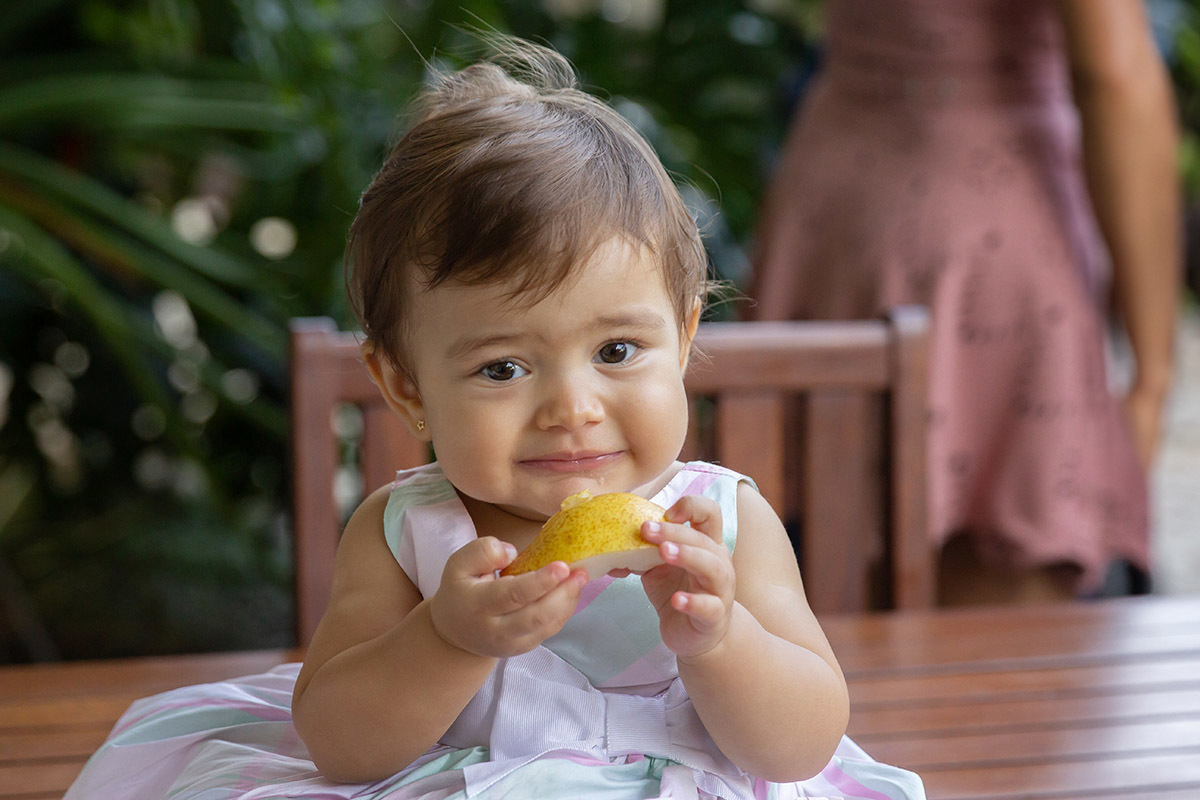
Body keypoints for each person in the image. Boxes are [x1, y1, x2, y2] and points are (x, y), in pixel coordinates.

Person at [64, 38, 925, 800]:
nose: (573, 409)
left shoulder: (722, 524)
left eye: (618, 351)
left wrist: (721, 636)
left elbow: (803, 743)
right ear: (404, 387)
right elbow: (338, 744)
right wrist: (446, 638)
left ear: (686, 334)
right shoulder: (406, 533)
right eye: (503, 368)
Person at [750, 0, 1181, 605]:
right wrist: (1153, 376)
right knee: (1002, 656)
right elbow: (1115, 73)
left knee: (833, 607)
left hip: (833, 204)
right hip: (984, 231)